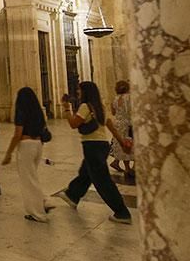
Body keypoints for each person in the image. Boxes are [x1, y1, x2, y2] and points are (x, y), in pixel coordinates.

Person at [56, 81, 134, 224]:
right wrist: (122, 142)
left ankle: (122, 212)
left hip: (92, 146)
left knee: (102, 181)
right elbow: (110, 126)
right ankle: (72, 195)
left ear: (85, 92)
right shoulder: (100, 107)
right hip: (102, 145)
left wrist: (66, 109)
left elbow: (74, 124)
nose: (78, 93)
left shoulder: (85, 106)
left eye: (80, 90)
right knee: (85, 173)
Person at [2, 87, 50, 222]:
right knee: (32, 177)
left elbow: (17, 134)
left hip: (26, 145)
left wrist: (9, 153)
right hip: (38, 144)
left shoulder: (21, 111)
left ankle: (38, 213)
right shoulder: (38, 112)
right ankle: (44, 200)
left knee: (28, 181)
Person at [109, 80, 134, 178]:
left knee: (123, 146)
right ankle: (132, 169)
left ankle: (127, 168)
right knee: (131, 145)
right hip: (128, 124)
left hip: (118, 125)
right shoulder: (129, 97)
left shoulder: (115, 99)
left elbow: (113, 112)